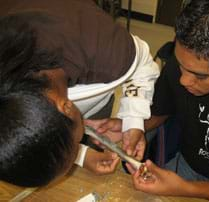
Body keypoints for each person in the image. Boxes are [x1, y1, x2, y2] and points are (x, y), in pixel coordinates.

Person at [97, 0, 209, 201]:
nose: (183, 80)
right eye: (180, 65)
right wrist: (131, 125)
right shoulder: (183, 65)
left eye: (201, 76)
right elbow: (162, 111)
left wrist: (187, 189)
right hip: (186, 168)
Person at [0, 0, 159, 175]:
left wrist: (133, 119)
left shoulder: (105, 48)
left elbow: (142, 68)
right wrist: (81, 155)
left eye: (75, 145)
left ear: (67, 107)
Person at [0, 73, 119, 187]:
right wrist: (82, 155)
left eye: (77, 143)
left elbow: (136, 70)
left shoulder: (101, 59)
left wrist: (133, 120)